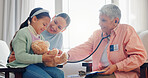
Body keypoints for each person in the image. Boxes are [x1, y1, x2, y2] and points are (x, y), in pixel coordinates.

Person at [67, 4, 147, 78]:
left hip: (121, 74)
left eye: (103, 20)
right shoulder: (97, 34)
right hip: (100, 72)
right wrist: (67, 56)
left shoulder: (127, 31)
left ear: (116, 21)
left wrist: (117, 66)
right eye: (99, 20)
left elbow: (140, 56)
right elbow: (84, 48)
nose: (99, 23)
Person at [8, 8, 71, 78]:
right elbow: (20, 54)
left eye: (59, 27)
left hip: (38, 63)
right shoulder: (28, 31)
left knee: (60, 74)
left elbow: (43, 52)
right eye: (55, 22)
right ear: (53, 18)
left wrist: (55, 56)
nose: (54, 27)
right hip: (25, 64)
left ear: (63, 30)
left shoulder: (40, 35)